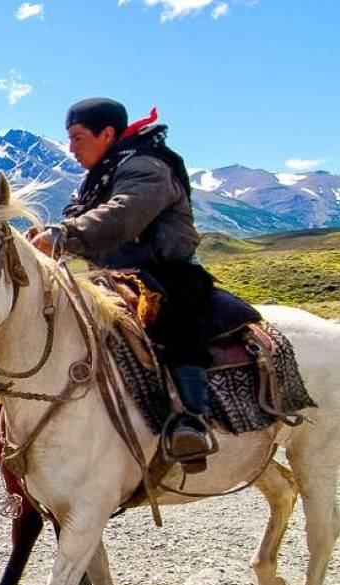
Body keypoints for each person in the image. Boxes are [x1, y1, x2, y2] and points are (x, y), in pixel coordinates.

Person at [28, 98, 214, 473]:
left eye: (77, 137)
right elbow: (79, 216)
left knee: (172, 324)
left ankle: (192, 419)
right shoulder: (99, 175)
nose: (71, 147)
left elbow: (123, 214)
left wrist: (62, 235)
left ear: (107, 134)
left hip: (164, 272)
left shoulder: (147, 166)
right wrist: (50, 235)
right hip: (113, 275)